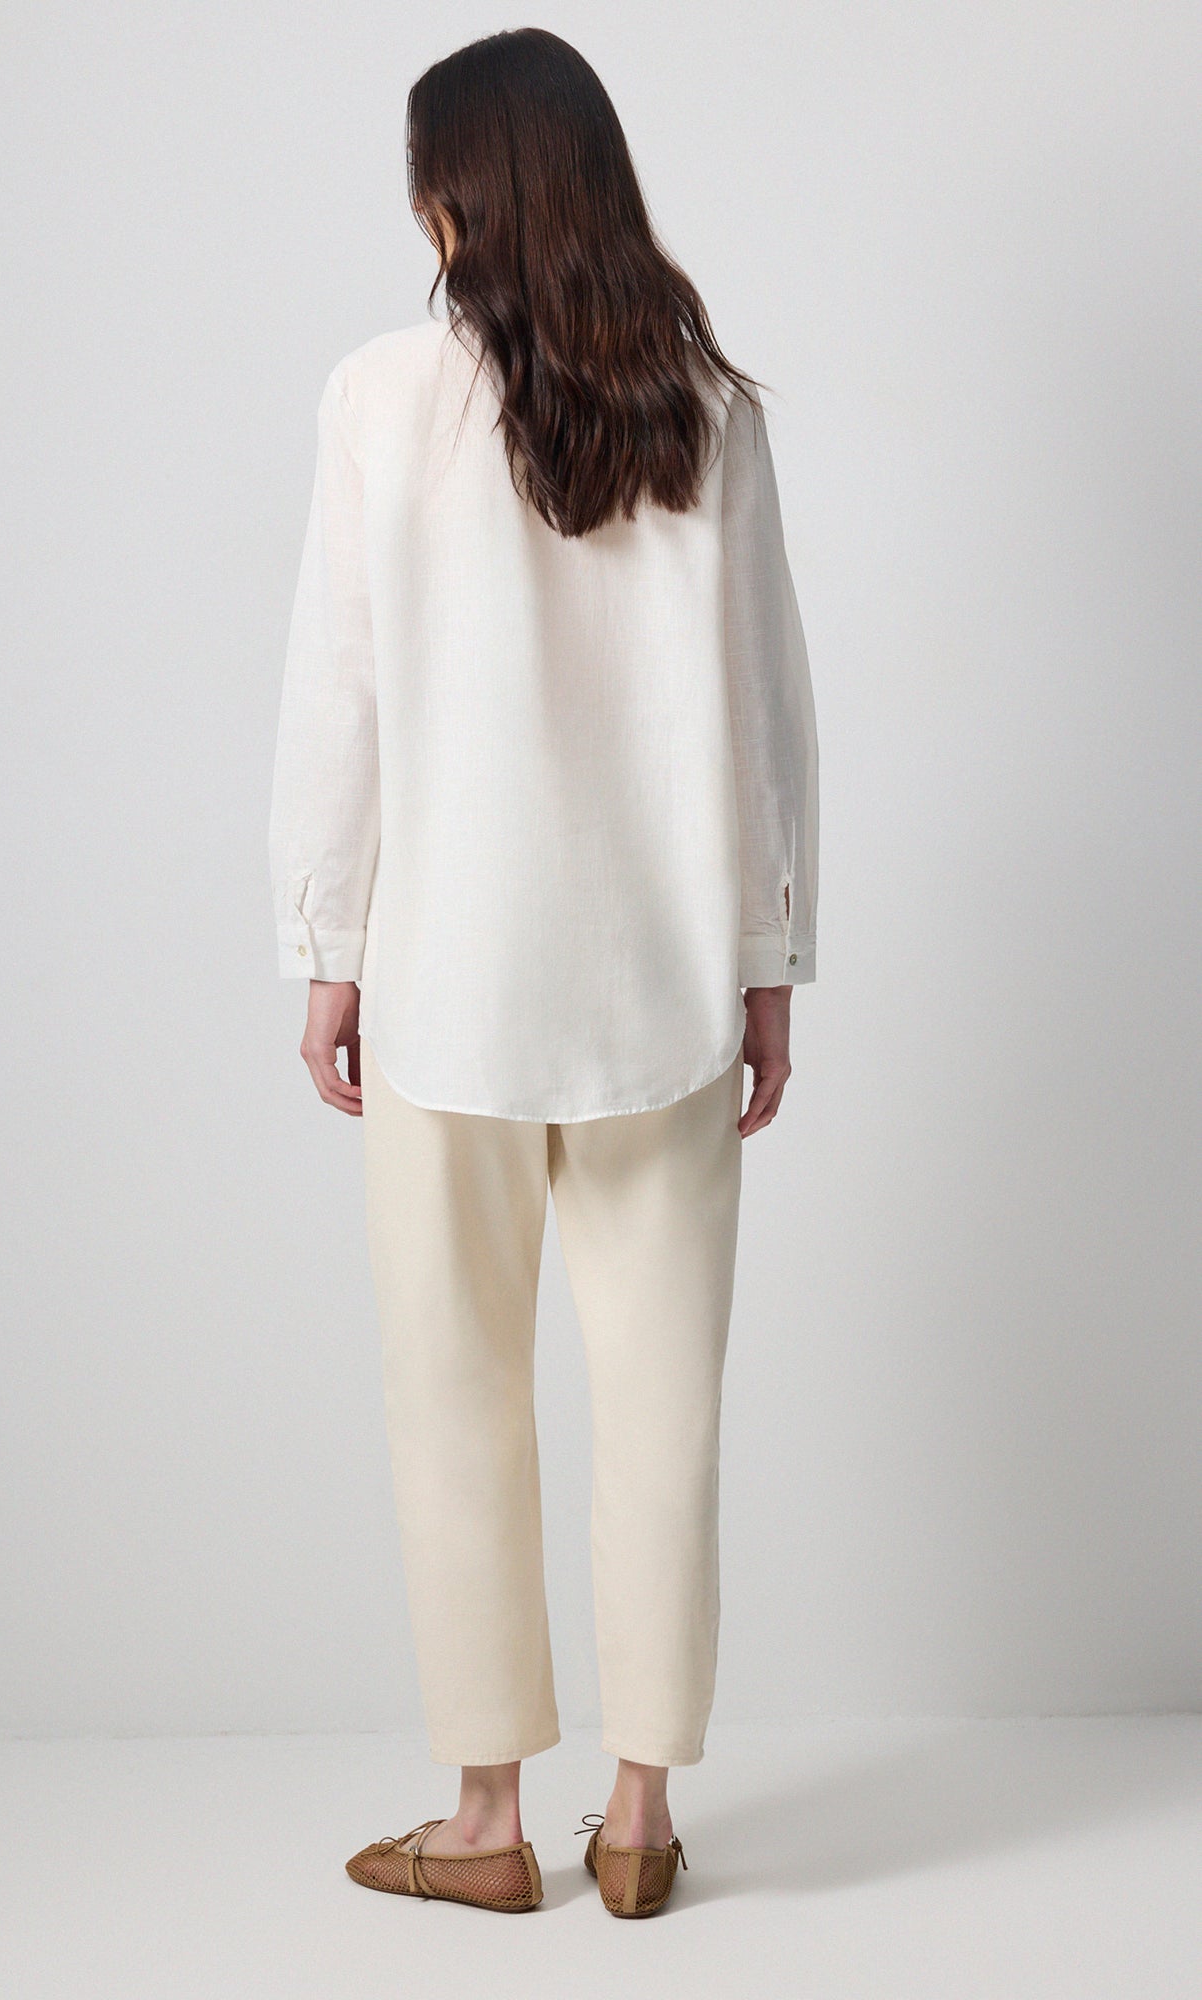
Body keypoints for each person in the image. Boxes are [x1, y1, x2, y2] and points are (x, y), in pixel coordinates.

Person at [269, 27, 818, 1919]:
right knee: (664, 1404)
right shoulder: (704, 408)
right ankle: (641, 1816)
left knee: (453, 1396)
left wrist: (327, 945)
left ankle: (486, 1820)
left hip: (448, 979)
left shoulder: (377, 397)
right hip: (661, 982)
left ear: (453, 195)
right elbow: (764, 705)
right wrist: (768, 957)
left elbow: (338, 694)